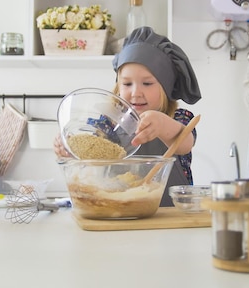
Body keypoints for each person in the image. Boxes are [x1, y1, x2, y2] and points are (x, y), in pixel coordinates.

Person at [54, 26, 201, 206]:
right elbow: (91, 158)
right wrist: (70, 152)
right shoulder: (109, 123)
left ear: (166, 87)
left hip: (171, 215)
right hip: (119, 209)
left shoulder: (178, 118)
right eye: (127, 83)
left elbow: (185, 144)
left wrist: (162, 125)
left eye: (147, 83)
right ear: (118, 86)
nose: (135, 93)